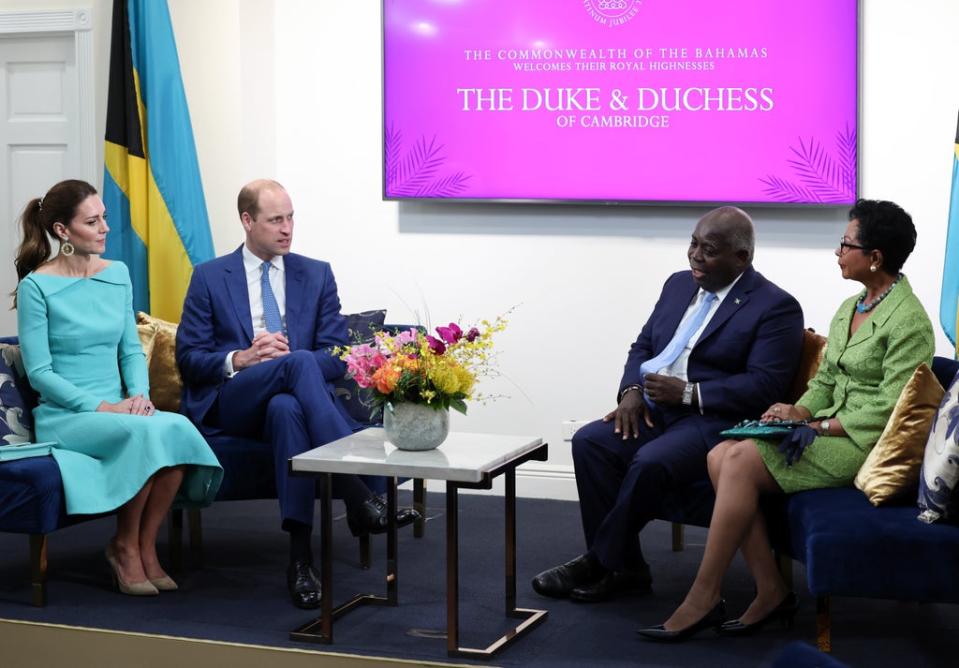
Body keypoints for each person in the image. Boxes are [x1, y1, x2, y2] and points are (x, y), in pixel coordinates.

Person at [638, 199, 935, 642]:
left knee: (734, 461)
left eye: (845, 244)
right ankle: (771, 590)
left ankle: (704, 594)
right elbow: (828, 380)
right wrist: (797, 410)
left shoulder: (910, 321)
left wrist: (816, 427)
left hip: (861, 443)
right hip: (820, 431)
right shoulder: (851, 308)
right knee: (721, 454)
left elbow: (890, 408)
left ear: (875, 258)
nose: (837, 251)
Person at [532, 206, 805, 603]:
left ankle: (599, 561)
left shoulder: (775, 306)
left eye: (708, 250)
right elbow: (643, 345)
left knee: (650, 462)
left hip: (715, 421)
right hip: (656, 408)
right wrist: (630, 392)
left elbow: (765, 386)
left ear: (741, 257)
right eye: (693, 244)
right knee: (591, 441)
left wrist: (690, 393)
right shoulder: (678, 285)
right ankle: (626, 569)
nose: (695, 256)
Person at [175, 179, 419, 610]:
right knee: (298, 364)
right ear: (247, 221)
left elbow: (338, 356)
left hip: (291, 403)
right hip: (234, 401)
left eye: (291, 218)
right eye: (275, 220)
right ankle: (360, 493)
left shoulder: (316, 273)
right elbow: (190, 359)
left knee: (288, 405)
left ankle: (300, 559)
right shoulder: (210, 277)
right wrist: (242, 358)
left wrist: (293, 364)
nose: (287, 229)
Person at [13, 179, 223, 597]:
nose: (106, 227)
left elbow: (130, 349)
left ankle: (144, 546)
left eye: (104, 217)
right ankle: (125, 547)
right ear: (62, 231)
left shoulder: (119, 274)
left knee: (176, 429)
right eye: (93, 222)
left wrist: (140, 396)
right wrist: (104, 406)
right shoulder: (37, 286)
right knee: (143, 434)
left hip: (123, 409)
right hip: (67, 416)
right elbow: (40, 374)